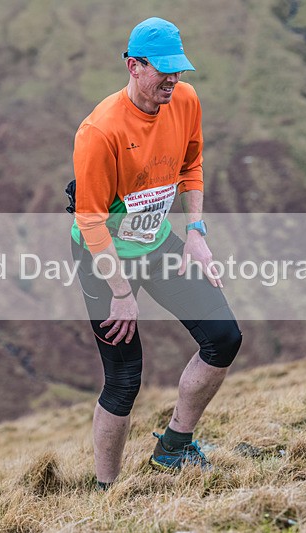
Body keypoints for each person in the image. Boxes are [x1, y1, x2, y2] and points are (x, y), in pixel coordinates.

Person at [70, 17, 242, 490]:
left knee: (224, 337)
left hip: (157, 243)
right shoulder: (99, 131)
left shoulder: (184, 101)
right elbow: (89, 220)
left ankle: (174, 448)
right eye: (163, 69)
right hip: (104, 257)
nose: (173, 79)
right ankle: (106, 491)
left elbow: (192, 164)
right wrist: (121, 291)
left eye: (179, 69)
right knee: (125, 380)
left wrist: (196, 231)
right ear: (133, 65)